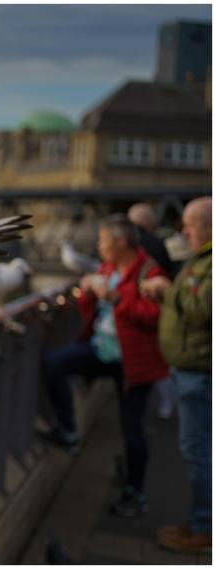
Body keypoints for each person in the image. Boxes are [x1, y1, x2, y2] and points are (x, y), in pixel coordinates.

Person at [40, 214, 168, 517]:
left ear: (121, 243)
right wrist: (89, 292)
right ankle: (68, 430)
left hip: (133, 363)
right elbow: (95, 311)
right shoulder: (109, 267)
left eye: (103, 241)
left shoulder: (150, 272)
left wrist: (114, 296)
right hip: (102, 350)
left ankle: (135, 494)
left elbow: (154, 318)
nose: (99, 247)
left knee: (132, 429)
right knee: (54, 365)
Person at [141, 196, 211, 554]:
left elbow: (204, 310)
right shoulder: (200, 260)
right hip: (190, 369)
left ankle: (203, 529)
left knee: (199, 450)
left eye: (190, 224)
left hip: (200, 371)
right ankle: (201, 521)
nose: (183, 231)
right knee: (197, 448)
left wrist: (168, 292)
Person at [128, 202, 176, 419]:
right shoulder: (156, 243)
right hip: (156, 310)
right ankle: (166, 403)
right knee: (156, 359)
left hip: (136, 311)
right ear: (148, 223)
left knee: (146, 362)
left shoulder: (129, 244)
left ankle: (157, 404)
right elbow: (169, 273)